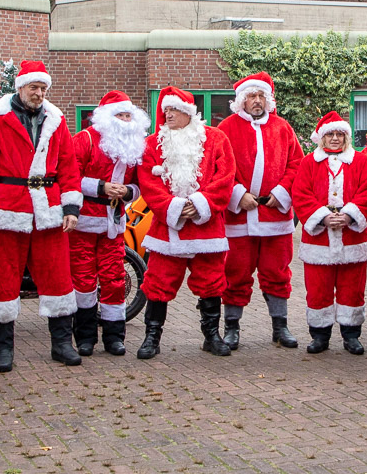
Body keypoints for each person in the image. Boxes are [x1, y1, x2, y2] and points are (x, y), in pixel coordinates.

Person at [0, 61, 84, 371]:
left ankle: (62, 344)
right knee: (1, 280)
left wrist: (71, 207)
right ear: (20, 87)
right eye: (34, 87)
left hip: (48, 210)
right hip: (7, 210)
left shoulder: (56, 121)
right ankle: (3, 350)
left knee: (58, 277)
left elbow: (69, 167)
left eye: (43, 88)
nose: (39, 93)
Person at [134, 86, 236, 359]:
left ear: (189, 112)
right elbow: (148, 182)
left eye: (174, 109)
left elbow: (225, 177)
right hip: (168, 229)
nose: (168, 114)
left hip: (207, 227)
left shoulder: (215, 139)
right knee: (157, 282)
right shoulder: (152, 144)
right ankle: (151, 338)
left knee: (212, 282)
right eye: (165, 109)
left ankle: (212, 336)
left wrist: (201, 204)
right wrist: (175, 208)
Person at [219, 72, 305, 350]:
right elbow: (218, 167)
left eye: (260, 96)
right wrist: (237, 194)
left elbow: (296, 165)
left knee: (277, 272)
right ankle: (231, 327)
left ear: (268, 100)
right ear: (241, 100)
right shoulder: (227, 129)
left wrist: (281, 193)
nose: (256, 101)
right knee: (235, 272)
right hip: (239, 218)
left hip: (274, 217)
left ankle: (280, 326)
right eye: (251, 96)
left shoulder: (282, 128)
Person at [70, 91, 150, 356]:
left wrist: (127, 192)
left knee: (114, 278)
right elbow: (68, 177)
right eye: (120, 115)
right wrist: (102, 187)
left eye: (129, 115)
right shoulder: (85, 140)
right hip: (83, 223)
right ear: (107, 118)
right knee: (83, 279)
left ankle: (115, 336)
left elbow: (140, 186)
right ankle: (85, 336)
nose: (125, 120)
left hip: (114, 223)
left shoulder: (135, 145)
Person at [291, 111, 367, 354]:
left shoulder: (360, 162)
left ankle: (351, 335)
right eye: (330, 134)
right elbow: (300, 193)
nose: (335, 139)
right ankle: (320, 335)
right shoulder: (309, 162)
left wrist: (349, 215)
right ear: (322, 138)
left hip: (352, 236)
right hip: (319, 238)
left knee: (352, 287)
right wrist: (323, 216)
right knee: (318, 288)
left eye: (340, 134)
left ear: (346, 138)